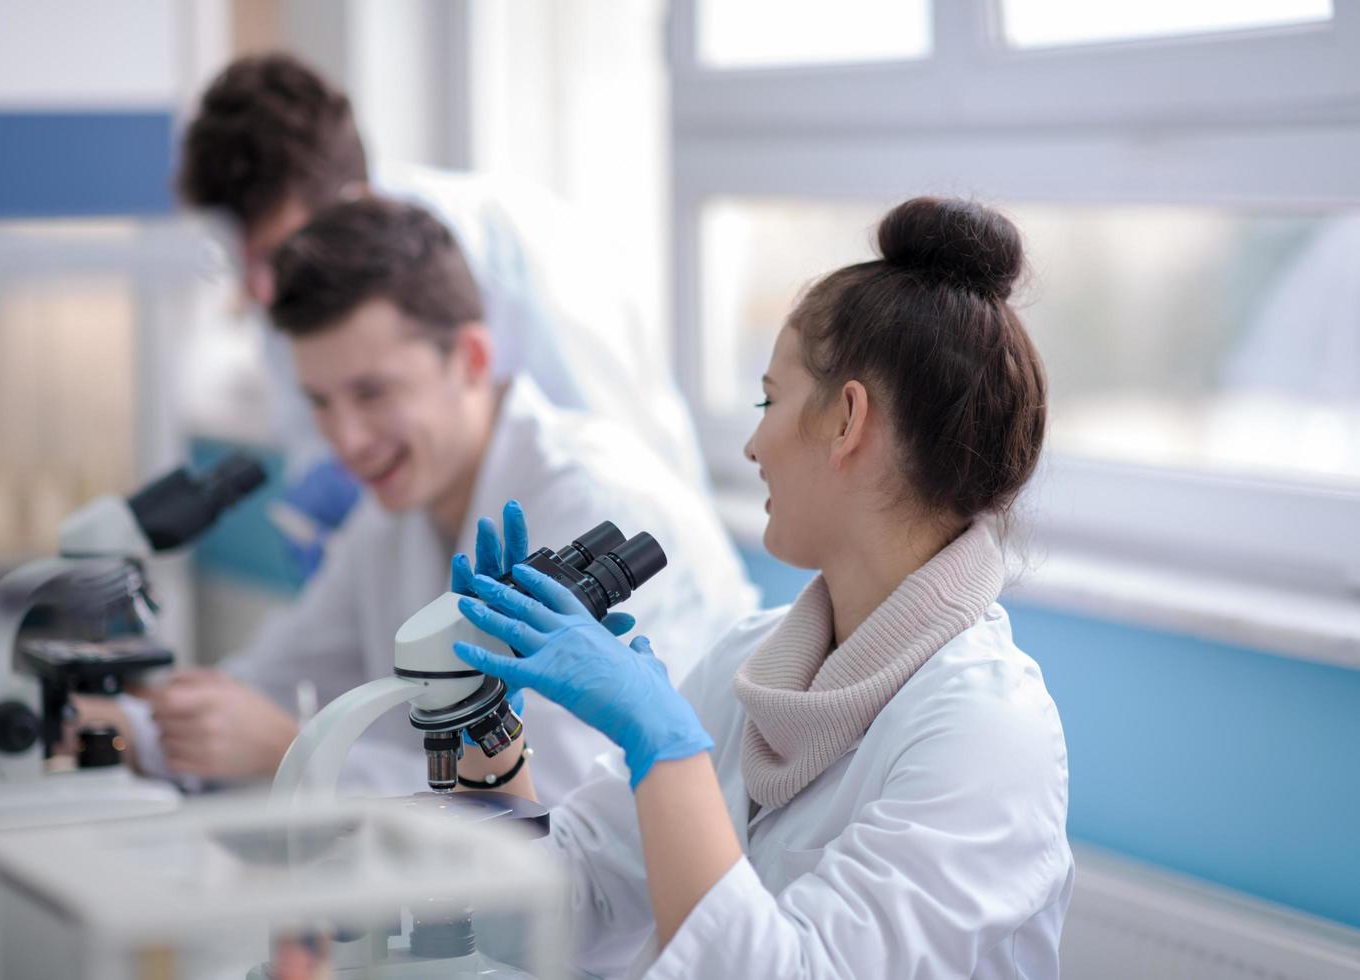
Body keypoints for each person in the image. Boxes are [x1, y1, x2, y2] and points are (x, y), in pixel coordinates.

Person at [450, 198, 1072, 977]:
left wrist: (664, 749)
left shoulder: (986, 732)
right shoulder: (755, 663)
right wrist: (491, 729)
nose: (753, 442)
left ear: (848, 421)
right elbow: (546, 922)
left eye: (768, 400)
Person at [105, 196, 757, 803]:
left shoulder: (590, 507)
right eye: (321, 403)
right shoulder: (396, 510)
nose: (347, 441)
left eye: (372, 393)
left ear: (471, 359)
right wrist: (121, 727)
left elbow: (563, 799)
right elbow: (277, 676)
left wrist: (290, 748)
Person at [177, 53, 707, 572]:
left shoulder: (513, 246)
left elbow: (618, 477)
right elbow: (318, 435)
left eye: (276, 254)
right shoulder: (295, 281)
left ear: (353, 196)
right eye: (240, 261)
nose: (261, 290)